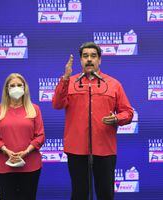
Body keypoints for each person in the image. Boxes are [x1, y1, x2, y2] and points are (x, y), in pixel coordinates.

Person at [52, 42, 134, 200]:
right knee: (79, 193)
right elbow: (57, 104)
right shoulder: (70, 83)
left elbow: (128, 113)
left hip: (104, 149)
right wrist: (66, 78)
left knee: (105, 194)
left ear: (100, 60)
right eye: (85, 56)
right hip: (76, 149)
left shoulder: (113, 84)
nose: (89, 59)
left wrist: (116, 118)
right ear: (81, 60)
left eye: (93, 56)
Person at [0, 73, 45, 200]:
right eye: (12, 85)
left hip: (30, 166)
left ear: (25, 88)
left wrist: (26, 151)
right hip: (4, 166)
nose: (16, 88)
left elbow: (40, 136)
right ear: (7, 89)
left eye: (20, 85)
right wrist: (6, 151)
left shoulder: (34, 109)